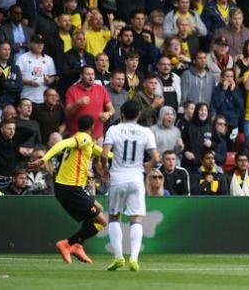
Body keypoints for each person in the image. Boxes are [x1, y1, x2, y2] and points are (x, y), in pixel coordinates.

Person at [29, 115, 108, 265]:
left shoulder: (86, 141)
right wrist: (44, 159)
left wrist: (124, 160)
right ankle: (67, 243)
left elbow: (102, 152)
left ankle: (77, 245)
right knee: (101, 221)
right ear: (92, 127)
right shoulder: (83, 138)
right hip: (69, 188)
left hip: (73, 187)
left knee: (99, 210)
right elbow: (62, 143)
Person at [101, 100, 159, 272]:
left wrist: (104, 170)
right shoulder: (145, 131)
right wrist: (148, 166)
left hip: (118, 178)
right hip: (136, 179)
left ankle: (118, 257)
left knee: (113, 217)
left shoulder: (114, 129)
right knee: (136, 219)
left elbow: (104, 155)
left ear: (122, 114)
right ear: (139, 115)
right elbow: (155, 156)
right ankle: (134, 259)